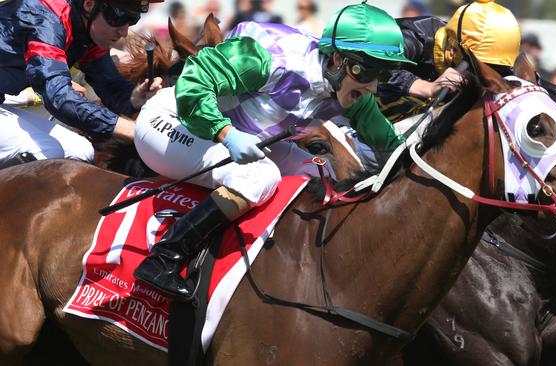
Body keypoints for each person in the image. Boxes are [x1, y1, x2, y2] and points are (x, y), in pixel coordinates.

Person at [133, 2, 415, 300]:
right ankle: (165, 256)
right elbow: (193, 82)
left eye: (382, 75)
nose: (372, 86)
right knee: (260, 175)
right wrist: (225, 133)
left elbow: (390, 145)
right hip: (172, 123)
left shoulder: (352, 91)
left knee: (323, 170)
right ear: (338, 60)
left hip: (236, 135)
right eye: (367, 71)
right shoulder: (268, 57)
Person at [0, 0, 163, 168]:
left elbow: (110, 85)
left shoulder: (85, 31)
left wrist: (134, 97)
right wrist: (132, 130)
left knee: (81, 151)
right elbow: (58, 97)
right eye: (120, 18)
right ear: (89, 4)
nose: (124, 32)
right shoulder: (45, 19)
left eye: (132, 20)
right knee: (48, 151)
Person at [377, 0, 521, 121]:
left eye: (496, 68)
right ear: (452, 50)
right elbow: (372, 61)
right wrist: (427, 88)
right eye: (479, 67)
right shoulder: (417, 37)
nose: (486, 74)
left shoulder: (497, 63)